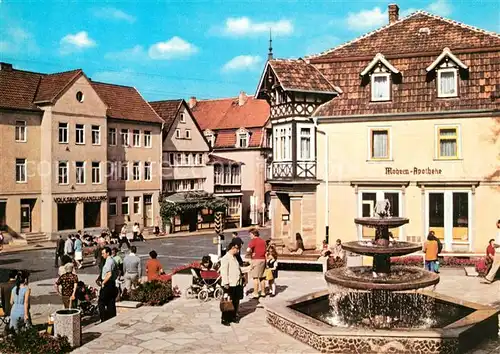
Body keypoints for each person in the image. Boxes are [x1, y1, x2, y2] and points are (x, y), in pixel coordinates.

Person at [219, 241, 244, 326]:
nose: (238, 250)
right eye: (237, 248)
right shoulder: (225, 258)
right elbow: (224, 271)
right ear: (233, 248)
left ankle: (233, 316)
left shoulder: (235, 257)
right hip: (229, 283)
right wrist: (226, 282)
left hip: (237, 283)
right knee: (227, 302)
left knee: (236, 301)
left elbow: (238, 269)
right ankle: (225, 318)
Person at [98, 247, 118, 322]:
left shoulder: (109, 261)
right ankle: (111, 317)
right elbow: (117, 272)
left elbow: (109, 274)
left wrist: (103, 282)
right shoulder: (112, 261)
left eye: (103, 253)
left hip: (107, 283)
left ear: (108, 253)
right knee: (110, 301)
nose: (102, 255)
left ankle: (103, 318)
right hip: (111, 283)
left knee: (101, 301)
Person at [246, 228, 267, 298]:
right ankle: (263, 292)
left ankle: (256, 293)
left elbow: (248, 250)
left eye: (250, 234)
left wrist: (251, 253)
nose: (249, 236)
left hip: (256, 260)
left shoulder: (253, 241)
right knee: (262, 277)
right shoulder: (263, 241)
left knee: (255, 277)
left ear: (253, 234)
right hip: (263, 260)